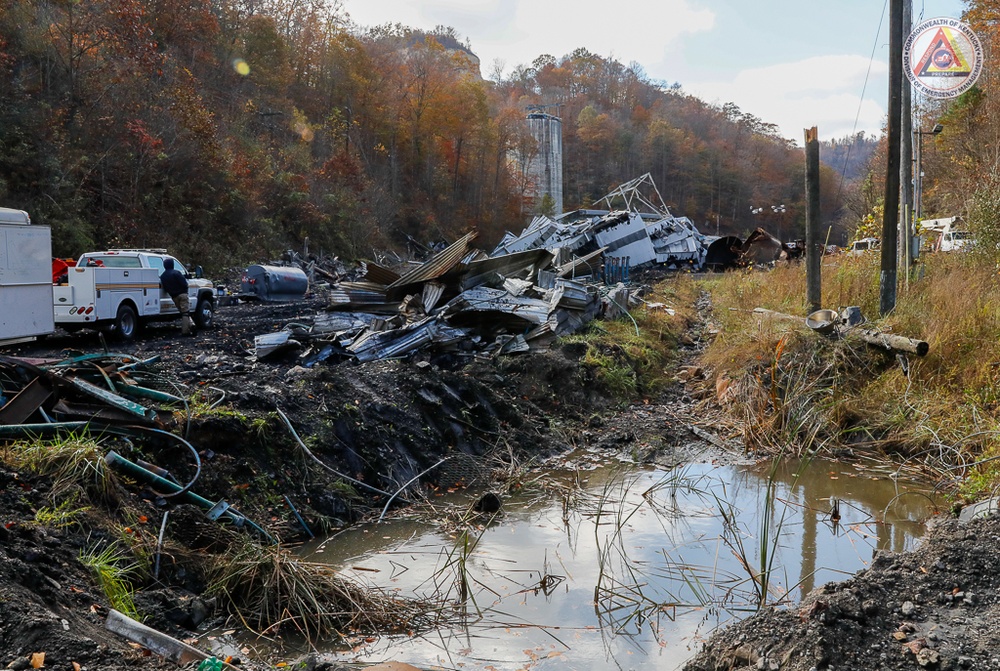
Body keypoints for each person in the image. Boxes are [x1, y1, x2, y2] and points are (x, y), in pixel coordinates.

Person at [160, 258, 192, 335]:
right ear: (173, 265)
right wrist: (185, 290)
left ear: (164, 266)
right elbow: (184, 283)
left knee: (183, 312)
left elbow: (166, 288)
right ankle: (185, 331)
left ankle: (192, 325)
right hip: (182, 294)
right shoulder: (177, 273)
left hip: (174, 297)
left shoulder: (163, 276)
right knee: (185, 313)